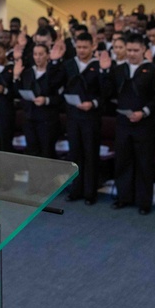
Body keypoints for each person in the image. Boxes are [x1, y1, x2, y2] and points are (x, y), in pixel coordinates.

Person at [106, 34, 155, 215]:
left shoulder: (154, 70)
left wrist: (145, 112)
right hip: (123, 122)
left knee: (144, 163)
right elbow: (108, 93)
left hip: (144, 123)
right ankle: (124, 197)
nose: (131, 54)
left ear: (144, 51)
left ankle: (143, 202)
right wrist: (104, 72)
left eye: (135, 50)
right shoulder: (118, 69)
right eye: (129, 50)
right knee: (123, 160)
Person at [62, 33, 112, 205]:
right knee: (75, 154)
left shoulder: (99, 66)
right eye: (79, 47)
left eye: (85, 47)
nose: (81, 50)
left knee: (90, 154)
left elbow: (106, 93)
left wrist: (93, 103)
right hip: (73, 116)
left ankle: (90, 193)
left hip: (91, 117)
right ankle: (75, 190)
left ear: (92, 47)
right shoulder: (69, 65)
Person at [15, 42, 65, 192]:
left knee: (46, 152)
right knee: (32, 152)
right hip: (30, 117)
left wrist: (46, 100)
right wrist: (16, 77)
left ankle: (47, 187)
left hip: (47, 119)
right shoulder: (29, 72)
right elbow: (19, 92)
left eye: (41, 54)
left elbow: (58, 95)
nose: (38, 57)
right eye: (35, 54)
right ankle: (34, 185)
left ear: (47, 55)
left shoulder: (54, 71)